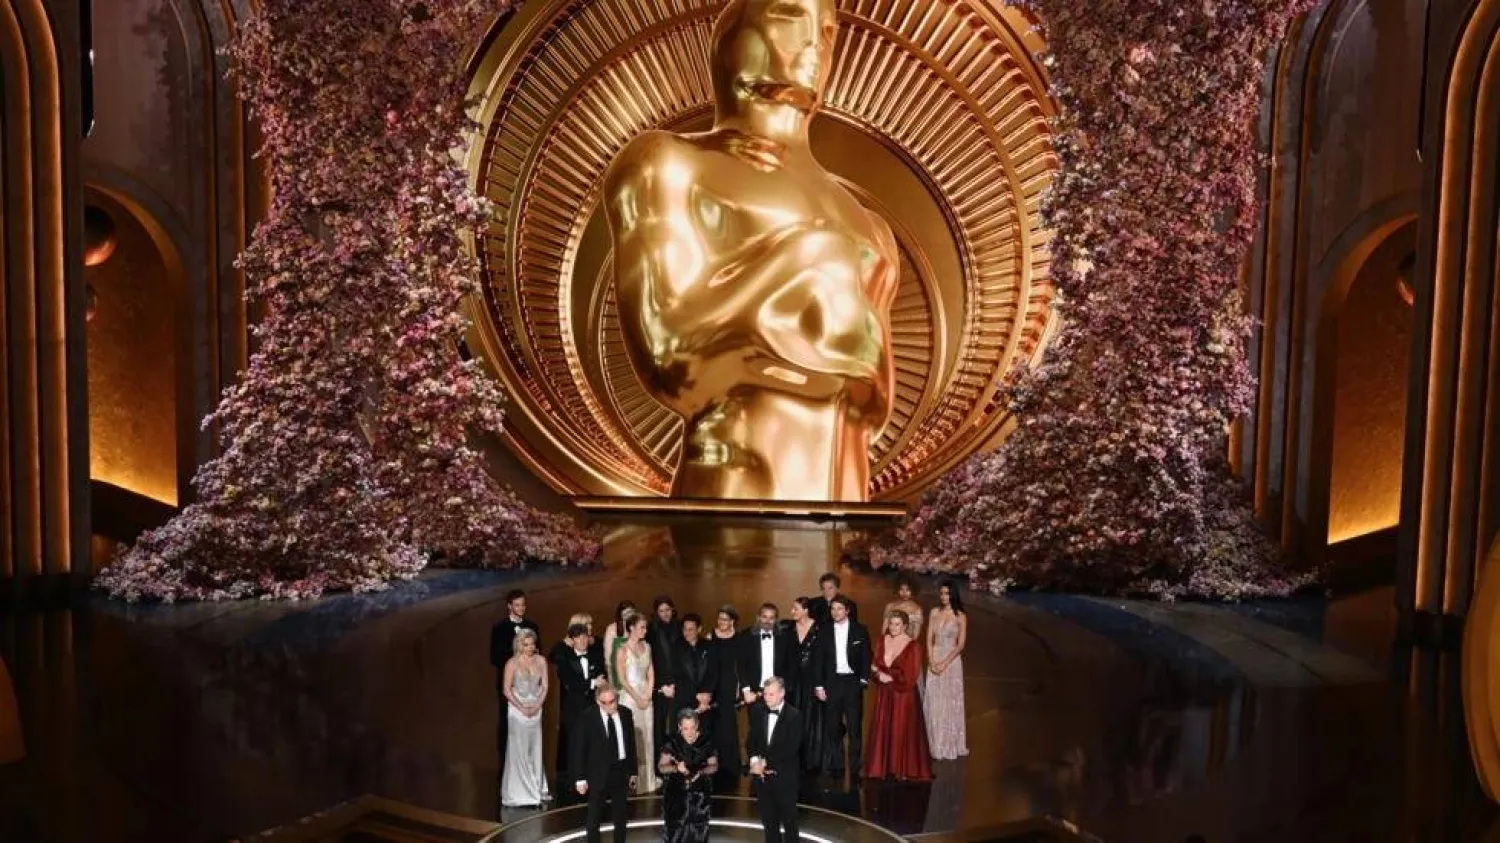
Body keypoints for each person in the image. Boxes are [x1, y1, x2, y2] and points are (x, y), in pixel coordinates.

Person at [865, 610, 931, 781]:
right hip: (885, 694)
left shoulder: (913, 646)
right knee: (884, 727)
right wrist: (878, 675)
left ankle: (899, 767)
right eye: (891, 624)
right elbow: (874, 666)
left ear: (905, 626)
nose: (893, 627)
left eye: (897, 624)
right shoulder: (882, 640)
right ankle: (883, 767)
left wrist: (890, 678)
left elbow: (911, 676)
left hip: (903, 696)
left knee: (900, 729)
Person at [572, 686, 638, 843]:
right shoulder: (588, 717)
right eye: (604, 702)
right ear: (597, 701)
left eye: (612, 702)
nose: (609, 706)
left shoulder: (626, 714)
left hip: (620, 770)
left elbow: (631, 745)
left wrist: (633, 771)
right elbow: (579, 748)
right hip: (597, 773)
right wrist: (580, 778)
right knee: (594, 817)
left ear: (617, 699)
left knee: (621, 816)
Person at [813, 595, 870, 777]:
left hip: (852, 683)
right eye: (833, 609)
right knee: (833, 726)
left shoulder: (860, 630)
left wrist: (863, 679)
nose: (835, 612)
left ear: (847, 610)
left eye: (839, 608)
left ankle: (854, 766)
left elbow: (866, 656)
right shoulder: (824, 630)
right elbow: (818, 659)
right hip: (832, 682)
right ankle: (837, 764)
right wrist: (819, 686)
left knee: (854, 727)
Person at [554, 621, 609, 799]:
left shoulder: (595, 656)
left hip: (593, 708)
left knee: (593, 744)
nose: (583, 640)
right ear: (572, 640)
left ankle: (593, 779)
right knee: (575, 745)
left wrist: (592, 684)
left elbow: (602, 675)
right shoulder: (566, 659)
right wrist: (592, 683)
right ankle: (575, 782)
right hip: (574, 710)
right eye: (579, 637)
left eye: (585, 636)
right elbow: (570, 683)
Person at [747, 677, 803, 843]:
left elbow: (790, 749)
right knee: (769, 824)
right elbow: (752, 741)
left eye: (771, 694)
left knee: (790, 824)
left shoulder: (795, 716)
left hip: (785, 778)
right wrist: (754, 761)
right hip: (763, 781)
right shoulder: (758, 711)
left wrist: (764, 763)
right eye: (765, 694)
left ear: (782, 693)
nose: (767, 698)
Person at [501, 629, 552, 806]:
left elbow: (545, 686)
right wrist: (522, 707)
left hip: (536, 708)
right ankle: (521, 792)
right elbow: (507, 690)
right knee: (519, 749)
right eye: (526, 644)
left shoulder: (541, 661)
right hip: (517, 710)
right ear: (519, 645)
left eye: (532, 643)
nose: (530, 647)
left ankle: (536, 787)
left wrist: (537, 705)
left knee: (535, 747)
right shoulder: (511, 664)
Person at [490, 590, 540, 758]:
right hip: (509, 682)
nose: (521, 608)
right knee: (508, 718)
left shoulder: (533, 627)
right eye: (517, 605)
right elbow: (495, 657)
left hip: (530, 682)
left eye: (523, 605)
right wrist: (516, 661)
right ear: (509, 606)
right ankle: (507, 757)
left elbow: (539, 652)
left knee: (530, 718)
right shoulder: (499, 628)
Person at [658, 709, 719, 843]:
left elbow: (714, 766)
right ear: (679, 727)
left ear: (697, 725)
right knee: (675, 831)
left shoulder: (707, 741)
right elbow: (662, 767)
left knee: (699, 830)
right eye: (685, 728)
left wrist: (701, 772)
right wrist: (675, 768)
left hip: (700, 794)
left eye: (692, 727)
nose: (689, 732)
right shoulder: (672, 742)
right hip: (675, 794)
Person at [614, 613, 659, 792]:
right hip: (630, 697)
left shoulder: (647, 646)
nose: (645, 630)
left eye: (646, 627)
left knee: (648, 737)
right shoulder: (622, 650)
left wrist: (648, 694)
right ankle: (634, 782)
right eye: (642, 627)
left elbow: (651, 671)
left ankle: (648, 780)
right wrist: (637, 697)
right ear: (631, 627)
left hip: (645, 695)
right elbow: (622, 679)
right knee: (634, 738)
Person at [925, 580, 969, 760]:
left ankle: (949, 743)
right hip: (934, 657)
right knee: (934, 701)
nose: (944, 597)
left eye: (947, 594)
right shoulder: (934, 612)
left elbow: (961, 645)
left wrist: (944, 662)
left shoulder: (960, 616)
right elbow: (928, 638)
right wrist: (932, 660)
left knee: (949, 702)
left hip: (951, 662)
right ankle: (933, 742)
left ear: (953, 595)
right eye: (942, 593)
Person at [785, 596, 825, 771]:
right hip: (792, 681)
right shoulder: (787, 628)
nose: (792, 611)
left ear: (806, 610)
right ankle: (792, 755)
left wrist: (821, 682)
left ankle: (810, 758)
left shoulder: (820, 628)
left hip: (811, 681)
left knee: (810, 717)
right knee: (792, 717)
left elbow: (824, 656)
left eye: (796, 608)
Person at [706, 604, 743, 782]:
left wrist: (739, 687)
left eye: (725, 619)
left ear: (732, 621)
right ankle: (713, 762)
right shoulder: (710, 636)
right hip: (713, 684)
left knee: (728, 724)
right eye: (720, 619)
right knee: (712, 723)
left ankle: (730, 764)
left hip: (730, 684)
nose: (721, 622)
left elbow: (741, 665)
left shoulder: (738, 638)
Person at [739, 603, 790, 707]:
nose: (767, 621)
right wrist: (746, 691)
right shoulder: (746, 636)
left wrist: (784, 688)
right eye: (764, 617)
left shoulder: (785, 637)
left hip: (777, 692)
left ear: (776, 619)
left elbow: (790, 665)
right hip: (753, 693)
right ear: (758, 617)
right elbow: (741, 665)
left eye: (772, 618)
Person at [649, 596, 682, 748]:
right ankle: (660, 764)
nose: (665, 613)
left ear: (673, 610)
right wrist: (662, 685)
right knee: (659, 725)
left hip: (679, 683)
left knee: (679, 723)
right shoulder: (651, 630)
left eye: (668, 610)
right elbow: (651, 661)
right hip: (660, 685)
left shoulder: (681, 627)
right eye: (661, 611)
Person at [603, 601, 638, 688]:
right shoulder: (612, 629)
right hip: (617, 675)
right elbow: (608, 658)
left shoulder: (638, 628)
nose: (629, 615)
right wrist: (611, 679)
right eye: (626, 613)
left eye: (631, 612)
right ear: (620, 614)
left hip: (635, 674)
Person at [884, 575, 924, 643]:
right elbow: (884, 628)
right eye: (901, 589)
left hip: (907, 645)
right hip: (890, 643)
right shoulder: (890, 606)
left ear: (913, 590)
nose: (904, 592)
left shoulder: (917, 609)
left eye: (907, 589)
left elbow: (916, 634)